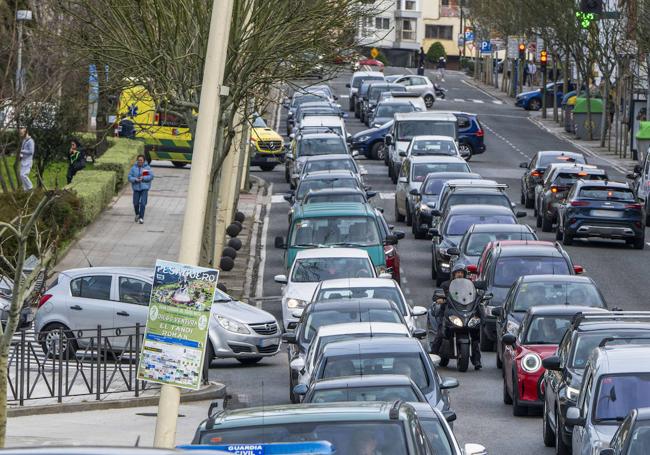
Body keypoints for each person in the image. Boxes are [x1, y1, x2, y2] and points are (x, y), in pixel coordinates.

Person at [128, 154, 154, 224]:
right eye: (139, 160)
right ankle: (137, 214)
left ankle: (141, 218)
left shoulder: (146, 168)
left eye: (141, 160)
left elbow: (151, 176)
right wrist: (135, 179)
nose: (140, 162)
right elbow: (129, 177)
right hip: (136, 188)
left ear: (144, 161)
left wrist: (143, 178)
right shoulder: (134, 168)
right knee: (135, 203)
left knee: (143, 203)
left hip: (144, 188)